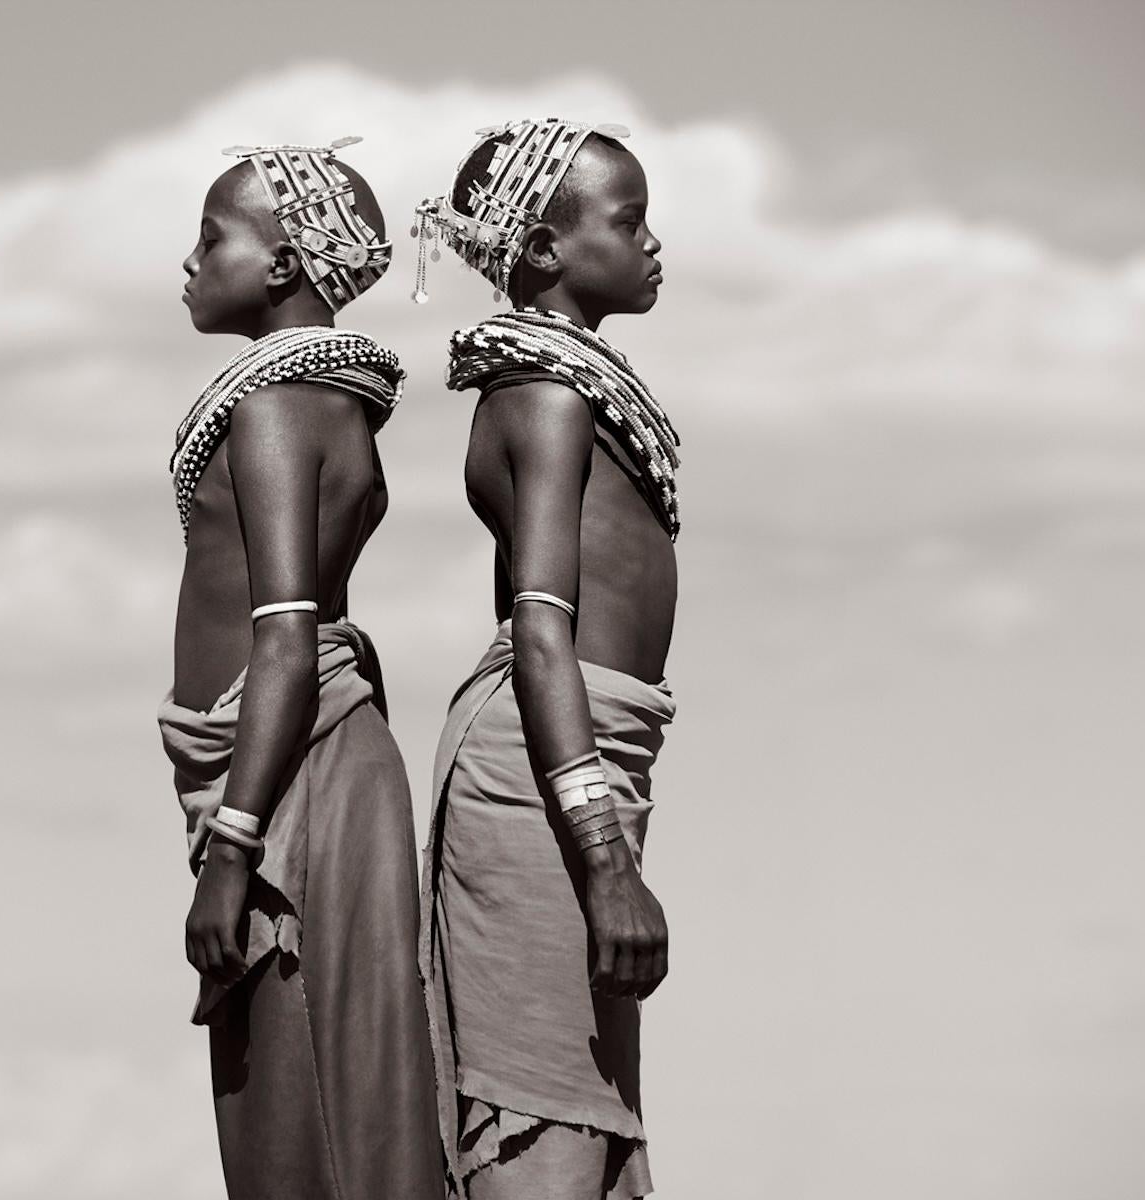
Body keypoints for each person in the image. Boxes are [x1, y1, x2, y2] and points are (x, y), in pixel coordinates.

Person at [156, 136, 440, 1200]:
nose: (188, 263)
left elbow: (285, 630)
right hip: (302, 766)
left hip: (291, 787)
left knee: (301, 1111)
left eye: (209, 238)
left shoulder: (276, 408)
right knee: (326, 1095)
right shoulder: (330, 403)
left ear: (281, 268)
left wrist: (234, 849)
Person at [410, 117, 682, 1199]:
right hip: (541, 776)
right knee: (546, 1126)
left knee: (588, 1124)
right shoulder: (548, 395)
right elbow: (541, 623)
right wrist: (606, 856)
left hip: (576, 758)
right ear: (543, 251)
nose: (654, 242)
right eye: (630, 221)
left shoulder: (570, 386)